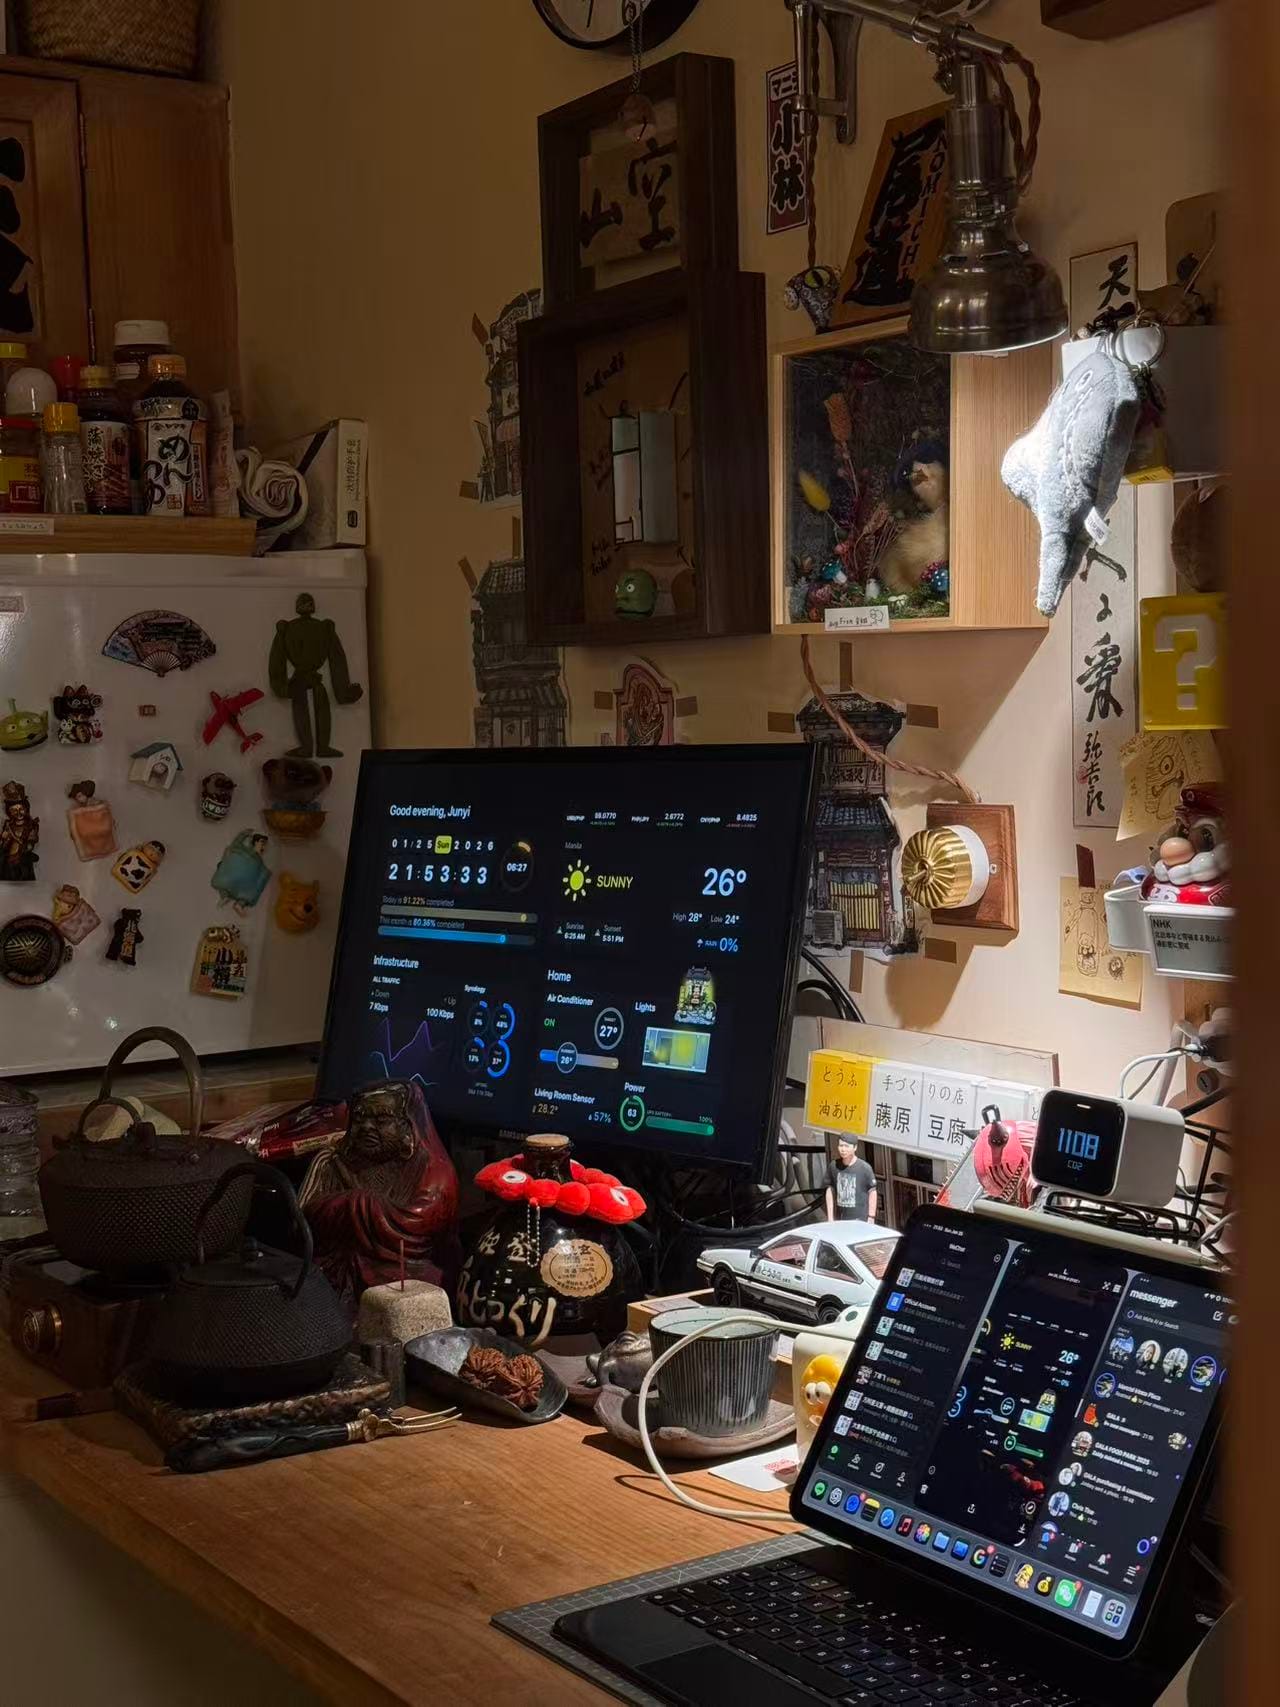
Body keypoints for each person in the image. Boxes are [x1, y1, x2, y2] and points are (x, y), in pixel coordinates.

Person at [824, 1136, 878, 1223]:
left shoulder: (865, 1168)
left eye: (846, 1146)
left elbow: (872, 1191)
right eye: (841, 1146)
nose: (843, 1149)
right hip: (840, 1219)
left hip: (860, 1220)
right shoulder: (833, 1166)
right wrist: (830, 1217)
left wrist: (871, 1216)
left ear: (855, 1147)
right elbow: (830, 1190)